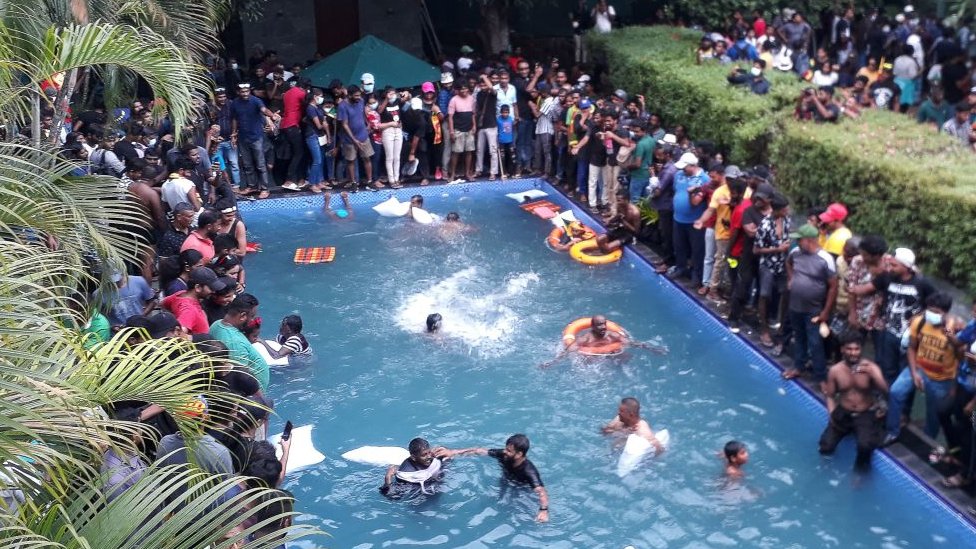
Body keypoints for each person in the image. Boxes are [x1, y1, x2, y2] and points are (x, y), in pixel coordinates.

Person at [885, 292, 964, 446]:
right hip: (920, 368)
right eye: (930, 310)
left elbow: (961, 355)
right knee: (895, 391)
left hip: (941, 379)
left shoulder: (955, 328)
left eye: (937, 312)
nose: (932, 314)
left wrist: (949, 332)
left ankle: (926, 442)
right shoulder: (920, 322)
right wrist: (914, 373)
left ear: (945, 313)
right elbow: (912, 348)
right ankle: (892, 431)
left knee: (933, 416)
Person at [819, 330, 889, 469]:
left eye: (856, 349)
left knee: (865, 447)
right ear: (842, 350)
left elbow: (886, 391)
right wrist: (832, 414)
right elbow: (830, 395)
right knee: (825, 446)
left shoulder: (871, 368)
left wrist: (873, 375)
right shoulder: (835, 371)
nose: (853, 353)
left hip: (865, 413)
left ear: (861, 349)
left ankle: (859, 475)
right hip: (843, 412)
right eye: (849, 349)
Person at [445, 434, 549, 522]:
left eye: (509, 450)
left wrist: (543, 511)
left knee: (515, 507)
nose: (504, 451)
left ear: (519, 454)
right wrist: (453, 452)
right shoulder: (504, 455)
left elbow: (541, 491)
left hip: (521, 488)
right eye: (506, 448)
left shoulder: (529, 471)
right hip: (505, 480)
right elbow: (479, 451)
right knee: (500, 501)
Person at [781, 223, 838, 384]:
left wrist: (826, 312)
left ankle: (821, 376)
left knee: (815, 341)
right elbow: (788, 263)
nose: (797, 243)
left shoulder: (825, 259)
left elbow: (833, 286)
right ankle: (799, 366)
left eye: (800, 240)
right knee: (799, 337)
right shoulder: (796, 252)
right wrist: (791, 278)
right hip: (795, 305)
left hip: (814, 309)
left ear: (809, 240)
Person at [542, 314, 666, 366]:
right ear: (592, 327)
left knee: (627, 357)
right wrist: (552, 362)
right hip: (593, 358)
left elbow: (632, 343)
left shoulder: (612, 335)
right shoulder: (586, 338)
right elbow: (569, 350)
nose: (602, 327)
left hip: (611, 354)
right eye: (599, 325)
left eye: (604, 324)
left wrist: (653, 349)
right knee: (587, 362)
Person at [209, 293, 270, 393]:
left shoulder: (217, 324)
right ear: (242, 316)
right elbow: (240, 380)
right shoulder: (234, 343)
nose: (252, 320)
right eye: (252, 316)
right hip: (252, 398)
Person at [230, 83, 279, 199]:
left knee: (260, 164)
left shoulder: (256, 101)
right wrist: (233, 133)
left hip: (256, 137)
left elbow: (264, 109)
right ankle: (251, 186)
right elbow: (234, 119)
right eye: (243, 92)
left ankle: (264, 188)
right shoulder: (235, 103)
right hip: (242, 137)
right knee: (247, 164)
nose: (245, 93)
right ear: (238, 92)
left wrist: (272, 116)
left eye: (247, 91)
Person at [380, 437, 453, 497]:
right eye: (424, 455)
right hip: (422, 500)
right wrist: (388, 479)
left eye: (429, 452)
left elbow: (448, 460)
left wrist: (448, 454)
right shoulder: (406, 473)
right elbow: (394, 497)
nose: (429, 457)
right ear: (414, 457)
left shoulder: (433, 457)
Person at [161, 267, 225, 334]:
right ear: (198, 287)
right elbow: (178, 334)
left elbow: (163, 304)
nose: (214, 291)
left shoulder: (181, 294)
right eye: (211, 288)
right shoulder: (189, 309)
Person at [337, 85, 376, 189]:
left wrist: (367, 123)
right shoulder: (342, 106)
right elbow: (344, 124)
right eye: (356, 96)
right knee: (351, 160)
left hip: (363, 135)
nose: (359, 97)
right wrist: (354, 140)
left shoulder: (361, 101)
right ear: (349, 95)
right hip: (349, 139)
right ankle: (354, 182)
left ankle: (370, 181)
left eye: (359, 95)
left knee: (367, 158)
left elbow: (362, 113)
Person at [447, 80, 476, 182]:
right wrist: (451, 132)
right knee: (456, 152)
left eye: (465, 88)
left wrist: (474, 126)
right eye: (462, 88)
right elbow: (450, 117)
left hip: (469, 129)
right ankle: (452, 174)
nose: (464, 90)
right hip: (458, 129)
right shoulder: (453, 100)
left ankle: (467, 173)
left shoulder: (472, 99)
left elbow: (473, 114)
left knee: (469, 152)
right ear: (458, 90)